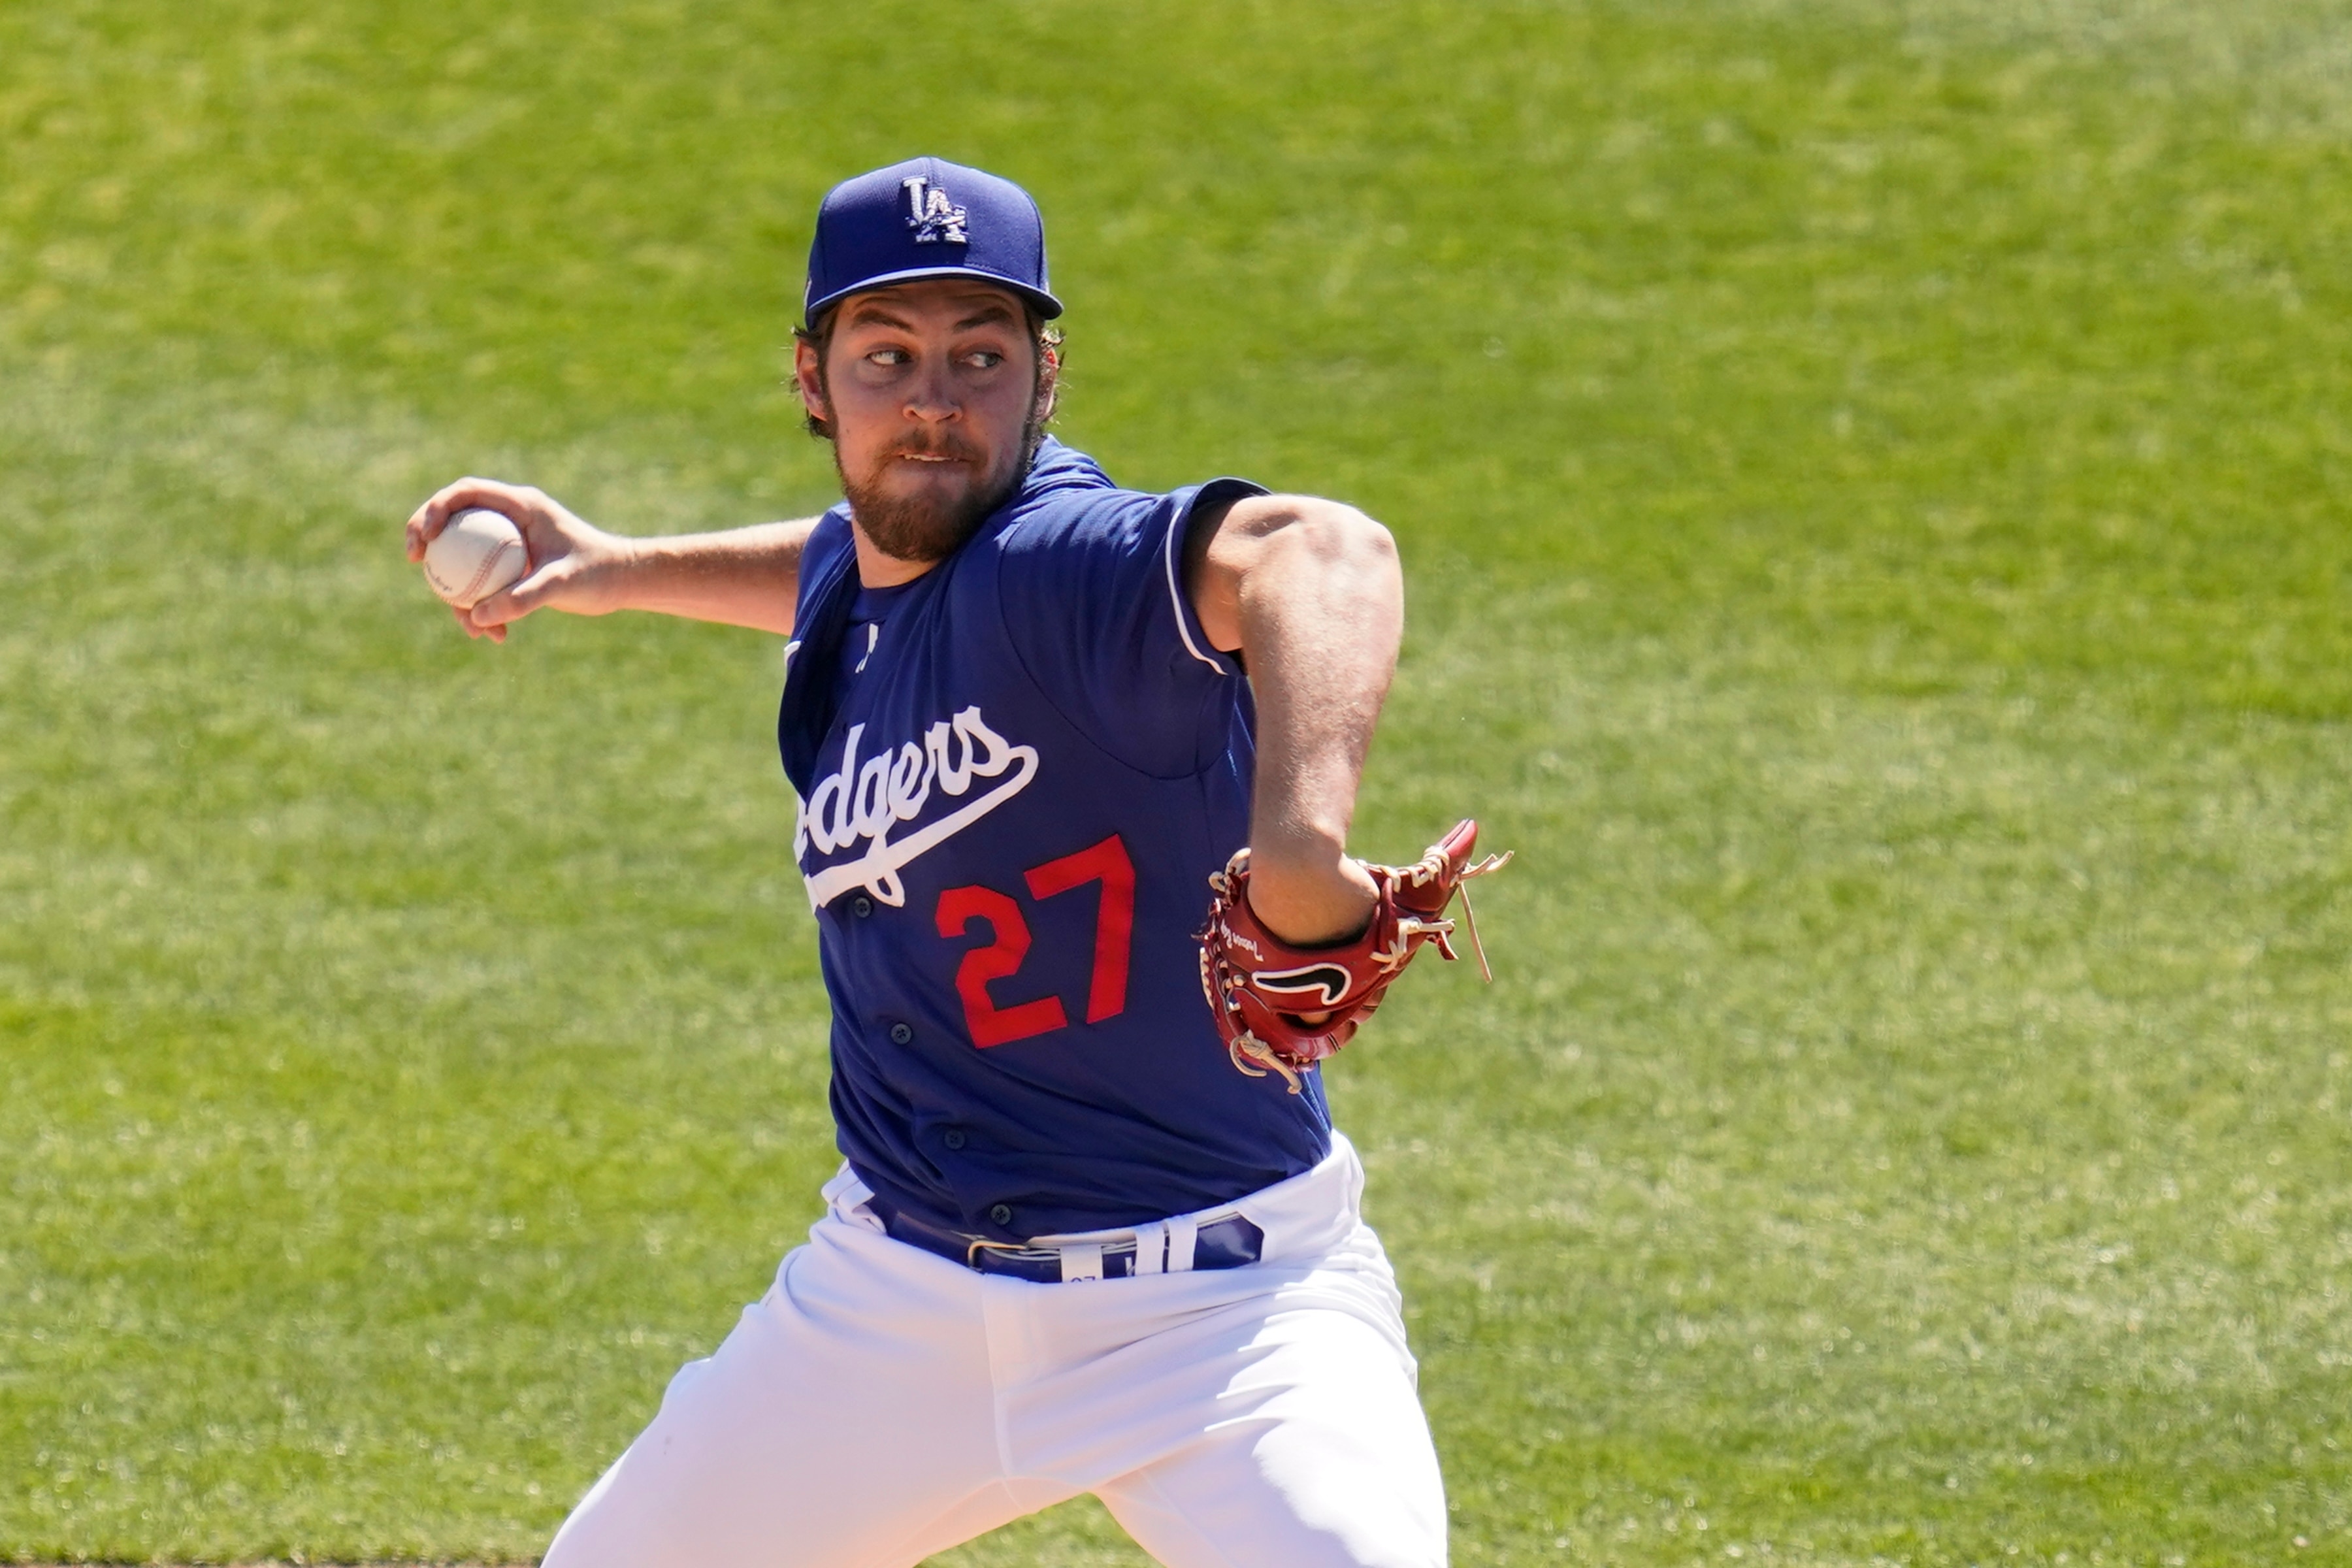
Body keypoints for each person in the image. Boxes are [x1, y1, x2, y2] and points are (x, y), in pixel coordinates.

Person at [404, 157, 1453, 1568]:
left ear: (1046, 377)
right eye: (886, 357)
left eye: (981, 356)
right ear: (813, 381)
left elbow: (1326, 546)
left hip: (1228, 1319)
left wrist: (1299, 839)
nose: (934, 403)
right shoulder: (879, 564)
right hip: (894, 1308)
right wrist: (612, 564)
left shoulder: (1066, 565)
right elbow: (843, 561)